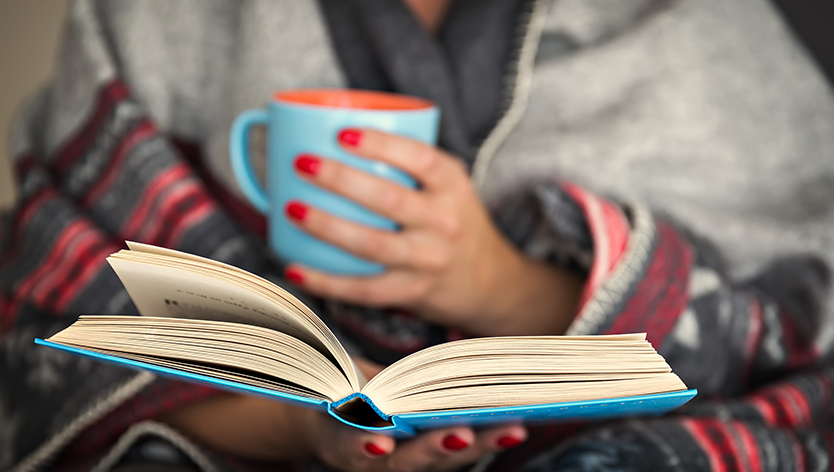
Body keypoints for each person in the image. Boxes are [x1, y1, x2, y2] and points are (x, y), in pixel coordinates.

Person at [2, 0, 834, 471]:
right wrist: (307, 425)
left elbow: (805, 328)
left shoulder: (711, 28)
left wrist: (498, 281)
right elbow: (55, 322)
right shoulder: (153, 18)